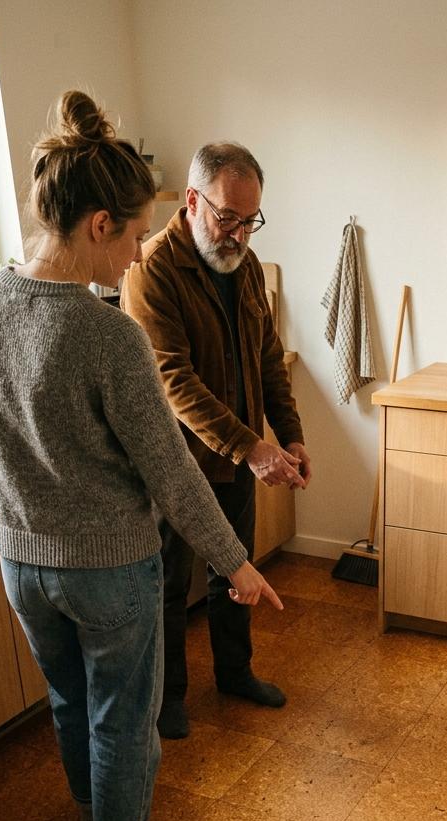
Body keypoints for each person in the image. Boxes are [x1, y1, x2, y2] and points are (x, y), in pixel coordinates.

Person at [0, 92, 282, 821]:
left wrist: (27, 500)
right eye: (131, 236)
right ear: (99, 225)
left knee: (68, 701)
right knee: (123, 718)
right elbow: (171, 473)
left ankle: (95, 812)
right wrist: (236, 563)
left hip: (22, 565)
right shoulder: (108, 335)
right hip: (110, 572)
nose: (136, 254)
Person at [122, 142, 310, 740]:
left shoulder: (245, 266)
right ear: (192, 200)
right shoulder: (151, 270)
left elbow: (268, 356)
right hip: (175, 464)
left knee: (236, 573)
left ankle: (235, 673)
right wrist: (252, 447)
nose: (238, 234)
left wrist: (291, 434)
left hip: (235, 460)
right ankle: (167, 698)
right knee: (169, 586)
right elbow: (173, 382)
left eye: (251, 221)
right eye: (227, 218)